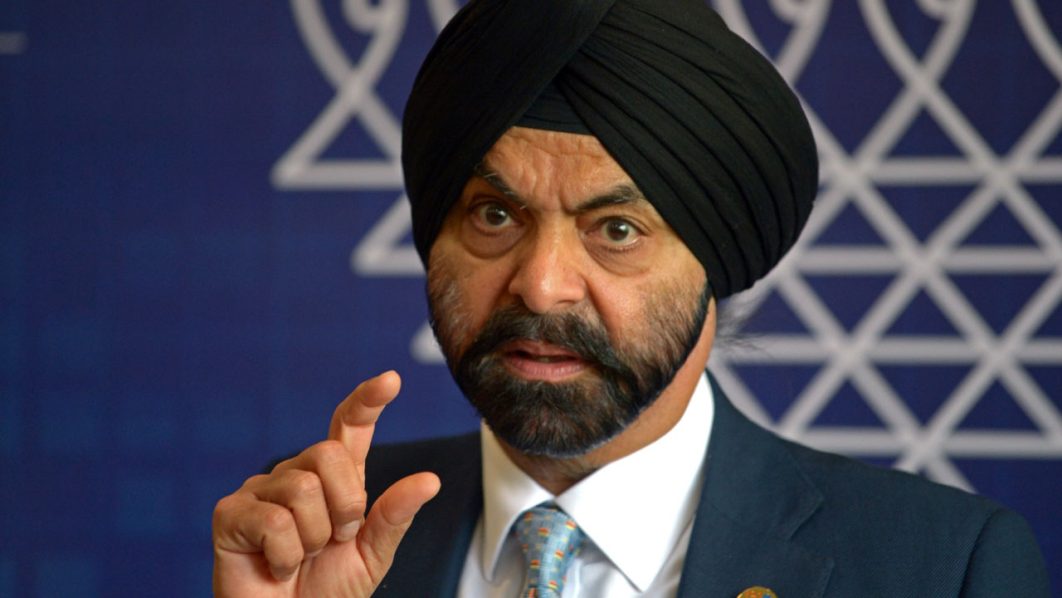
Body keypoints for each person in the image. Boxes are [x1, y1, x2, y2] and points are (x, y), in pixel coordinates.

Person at [212, 0, 1051, 596]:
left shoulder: (944, 569)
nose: (542, 284)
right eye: (496, 215)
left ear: (716, 260)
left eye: (616, 229)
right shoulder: (314, 537)